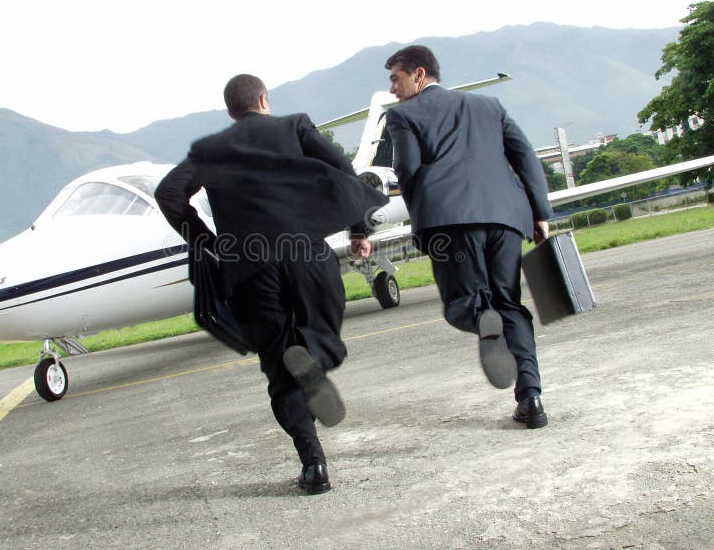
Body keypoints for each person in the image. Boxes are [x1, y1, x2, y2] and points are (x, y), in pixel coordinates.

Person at [154, 74, 387, 492]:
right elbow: (343, 169)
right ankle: (316, 362)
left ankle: (313, 464)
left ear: (230, 111)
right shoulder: (295, 126)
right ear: (264, 100)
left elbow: (169, 194)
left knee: (279, 367)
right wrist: (357, 230)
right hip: (308, 258)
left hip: (248, 268)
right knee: (319, 336)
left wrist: (209, 242)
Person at [383, 45, 553, 429]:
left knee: (462, 305)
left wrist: (421, 218)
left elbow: (407, 169)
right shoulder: (490, 106)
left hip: (449, 224)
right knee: (510, 304)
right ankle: (531, 398)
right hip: (507, 218)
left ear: (419, 74)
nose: (393, 89)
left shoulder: (402, 115)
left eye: (396, 78)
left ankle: (481, 320)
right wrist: (540, 213)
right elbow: (525, 156)